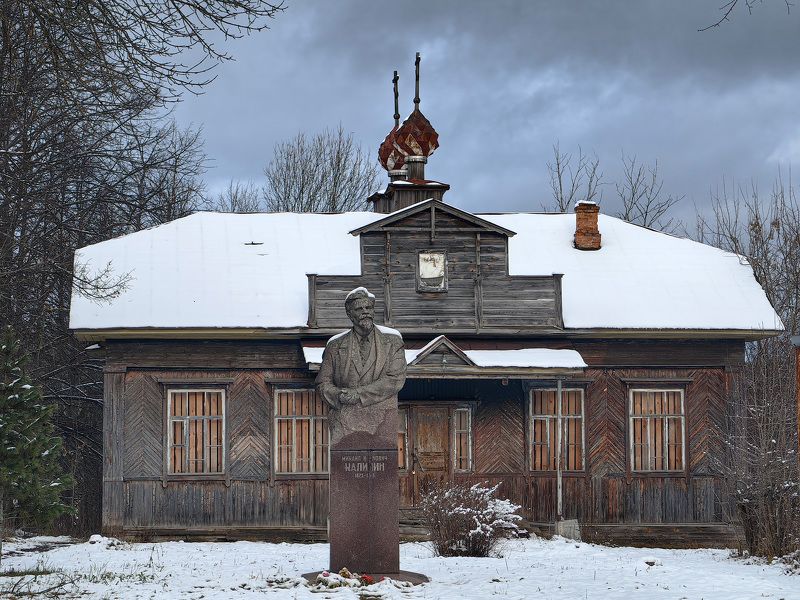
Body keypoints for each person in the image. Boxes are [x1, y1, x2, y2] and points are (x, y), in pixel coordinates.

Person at [315, 287, 406, 448]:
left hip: (382, 420)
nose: (365, 312)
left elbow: (395, 379)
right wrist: (338, 395)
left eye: (368, 308)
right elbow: (323, 383)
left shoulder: (393, 342)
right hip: (345, 421)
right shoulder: (335, 346)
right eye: (359, 309)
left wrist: (358, 394)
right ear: (350, 314)